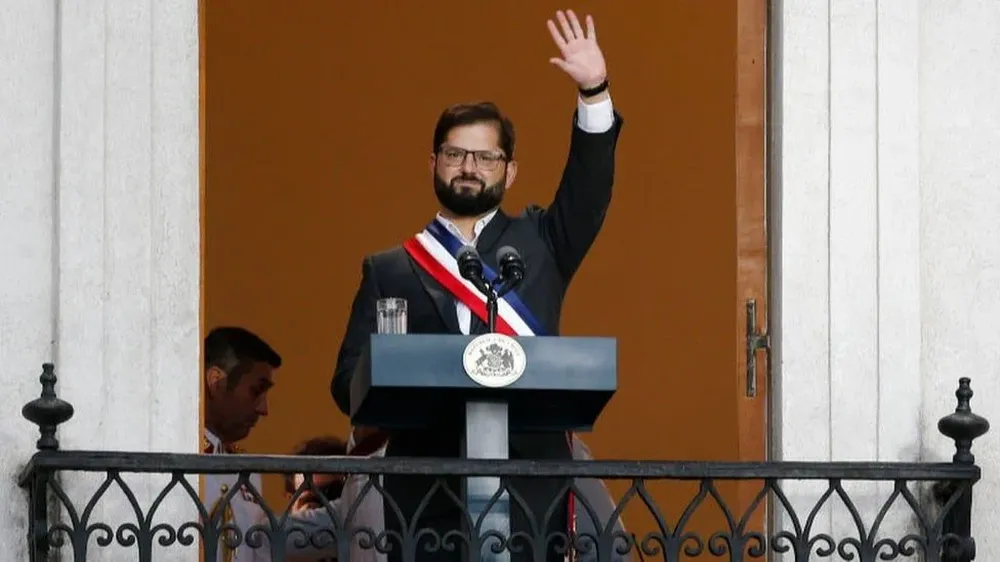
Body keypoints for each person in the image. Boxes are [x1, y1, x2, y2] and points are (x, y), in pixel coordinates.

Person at [330, 9, 623, 562]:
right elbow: (346, 381)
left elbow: (589, 187)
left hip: (532, 484)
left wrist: (594, 93)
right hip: (425, 490)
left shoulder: (542, 243)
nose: (470, 166)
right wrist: (402, 375)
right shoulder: (389, 268)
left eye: (486, 156)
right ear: (434, 163)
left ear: (509, 171)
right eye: (455, 154)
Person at [203, 326, 282, 562]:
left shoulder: (247, 475)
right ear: (216, 381)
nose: (263, 409)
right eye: (256, 391)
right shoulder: (174, 455)